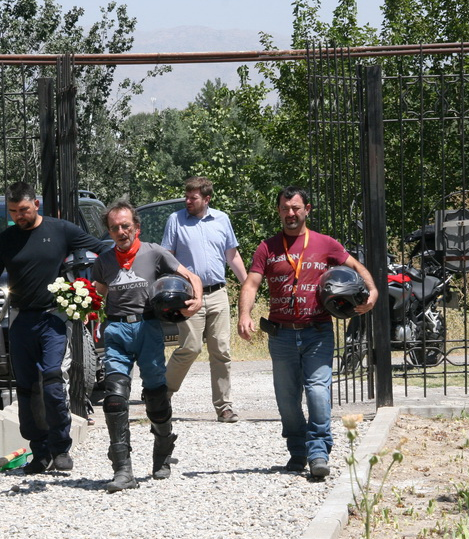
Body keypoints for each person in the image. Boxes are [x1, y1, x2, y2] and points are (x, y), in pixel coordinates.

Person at [0, 182, 106, 474]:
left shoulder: (60, 230)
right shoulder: (6, 239)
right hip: (21, 320)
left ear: (36, 204)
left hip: (53, 318)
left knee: (52, 380)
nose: (19, 217)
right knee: (26, 389)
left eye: (23, 210)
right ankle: (39, 451)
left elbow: (101, 249)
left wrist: (123, 263)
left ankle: (60, 447)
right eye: (13, 212)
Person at [237, 187, 377, 478]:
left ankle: (318, 451)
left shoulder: (326, 244)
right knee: (287, 399)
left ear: (307, 209)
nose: (291, 214)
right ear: (278, 211)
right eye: (285, 208)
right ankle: (297, 450)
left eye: (296, 208)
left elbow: (356, 267)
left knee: (317, 391)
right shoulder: (268, 247)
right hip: (281, 335)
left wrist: (373, 292)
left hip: (317, 331)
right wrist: (244, 314)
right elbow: (251, 283)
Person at [91, 200, 203, 493]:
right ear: (109, 231)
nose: (121, 231)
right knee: (115, 398)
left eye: (126, 226)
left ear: (136, 227)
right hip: (116, 330)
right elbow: (96, 295)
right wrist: (83, 302)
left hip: (148, 328)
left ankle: (164, 445)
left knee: (155, 395)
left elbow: (191, 277)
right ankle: (123, 470)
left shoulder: (154, 252)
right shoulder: (103, 261)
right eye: (115, 228)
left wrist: (196, 302)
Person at [161, 176, 248, 423]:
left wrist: (248, 285)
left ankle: (224, 407)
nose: (187, 201)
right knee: (190, 347)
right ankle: (162, 395)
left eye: (193, 197)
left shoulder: (222, 219)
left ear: (206, 199)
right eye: (186, 197)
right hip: (189, 296)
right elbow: (168, 258)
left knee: (221, 350)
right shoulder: (175, 220)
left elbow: (232, 256)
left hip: (219, 293)